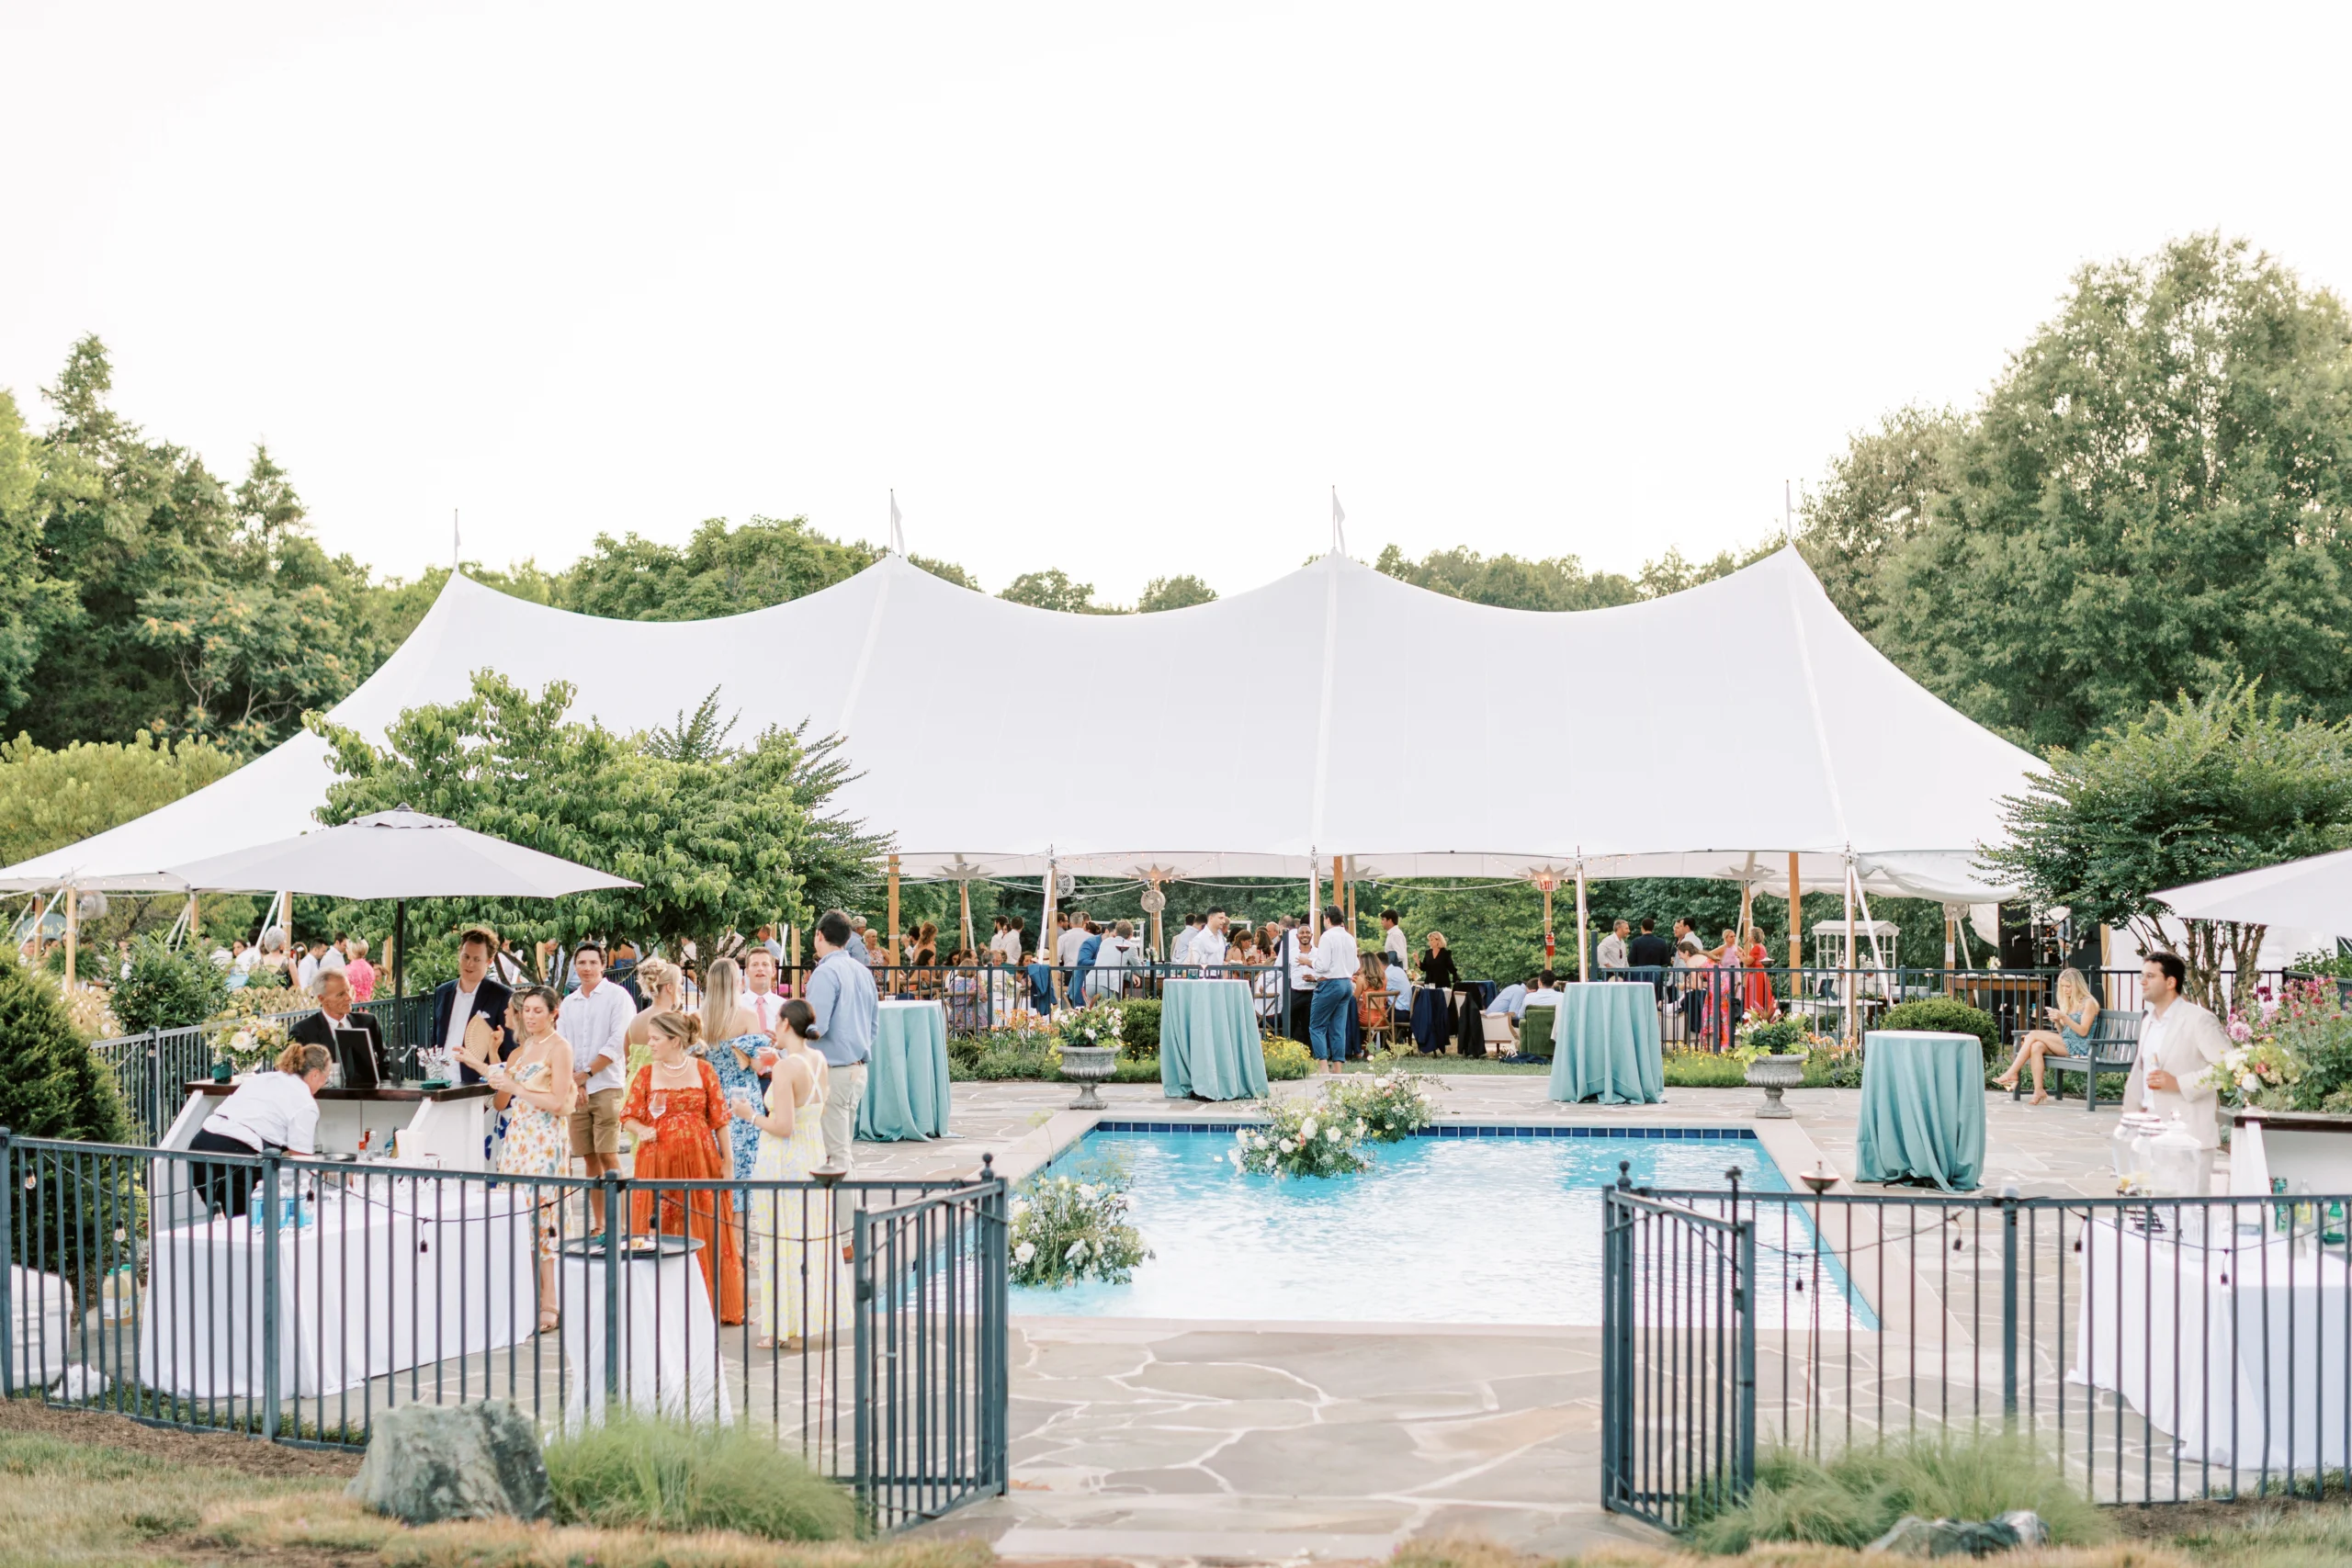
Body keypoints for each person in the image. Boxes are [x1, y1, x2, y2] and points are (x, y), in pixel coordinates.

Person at [458, 984, 575, 1331]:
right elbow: (500, 1095)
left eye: (539, 1010)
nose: (532, 1016)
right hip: (518, 1140)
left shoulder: (560, 1048)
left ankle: (550, 1300)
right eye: (528, 1011)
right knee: (520, 1215)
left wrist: (518, 1089)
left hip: (545, 1138)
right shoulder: (520, 1052)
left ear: (553, 1012)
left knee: (544, 1214)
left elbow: (557, 1102)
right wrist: (479, 1060)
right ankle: (528, 1294)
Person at [622, 1011, 744, 1324]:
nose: (649, 1044)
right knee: (660, 1225)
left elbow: (719, 1119)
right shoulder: (647, 1074)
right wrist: (642, 1130)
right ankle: (660, 1303)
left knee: (701, 1223)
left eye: (655, 1039)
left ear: (674, 1040)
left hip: (700, 1161)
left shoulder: (703, 1070)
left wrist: (727, 1160)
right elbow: (628, 1115)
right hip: (657, 1162)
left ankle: (705, 1299)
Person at [743, 998, 832, 1348]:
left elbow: (782, 1126)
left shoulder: (784, 1069)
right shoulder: (818, 1059)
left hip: (783, 1160)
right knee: (806, 1241)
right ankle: (805, 1318)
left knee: (778, 1241)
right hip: (812, 1154)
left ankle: (780, 1326)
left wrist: (748, 1114)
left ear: (782, 1024)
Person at [186, 1042, 331, 1217]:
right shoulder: (305, 1103)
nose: (325, 1084)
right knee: (250, 1223)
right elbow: (301, 1160)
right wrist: (307, 1198)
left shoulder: (264, 1078)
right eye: (326, 1077)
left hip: (201, 1143)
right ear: (315, 1074)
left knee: (221, 1220)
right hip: (236, 1154)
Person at [562, 942, 636, 1230]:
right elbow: (563, 1043)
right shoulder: (569, 1003)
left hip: (606, 1085)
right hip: (577, 1089)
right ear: (575, 966)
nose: (587, 968)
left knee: (608, 1155)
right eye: (582, 962)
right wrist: (575, 1081)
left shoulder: (618, 997)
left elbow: (618, 1041)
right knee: (589, 1159)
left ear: (602, 965)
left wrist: (588, 1074)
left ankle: (625, 1223)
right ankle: (601, 1224)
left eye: (593, 962)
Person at [2127, 952, 2229, 1147]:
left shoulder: (2199, 1019)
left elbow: (2227, 1068)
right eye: (2142, 976)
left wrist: (2179, 1083)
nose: (2142, 982)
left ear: (2170, 982)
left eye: (2150, 976)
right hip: (2149, 1130)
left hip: (2188, 1132)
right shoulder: (2148, 1021)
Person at [805, 908, 877, 1171]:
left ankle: (848, 1214)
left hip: (833, 1072)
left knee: (835, 1156)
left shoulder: (825, 973)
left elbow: (816, 1027)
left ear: (819, 935)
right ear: (848, 938)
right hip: (857, 1069)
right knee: (844, 1150)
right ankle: (846, 1211)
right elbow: (873, 1026)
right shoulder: (863, 972)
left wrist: (787, 1036)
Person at [1999, 966, 2098, 1103]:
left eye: (2068, 986)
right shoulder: (2071, 1002)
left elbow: (2083, 1031)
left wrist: (2065, 1017)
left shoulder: (2089, 1003)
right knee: (2037, 1046)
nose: (2065, 990)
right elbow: (2064, 1033)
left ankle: (2012, 1073)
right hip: (2068, 1042)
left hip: (2082, 1047)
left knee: (2033, 1034)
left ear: (2077, 985)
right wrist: (2058, 1022)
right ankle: (2038, 1090)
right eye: (2062, 986)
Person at [432, 927, 514, 1084]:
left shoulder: (502, 996)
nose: (469, 963)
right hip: (442, 1081)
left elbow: (509, 1048)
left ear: (489, 961)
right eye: (466, 957)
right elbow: (436, 1038)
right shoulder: (442, 992)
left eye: (477, 959)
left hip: (479, 1083)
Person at [288, 971, 385, 1081]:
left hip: (368, 1095)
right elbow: (292, 1070)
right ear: (322, 999)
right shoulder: (303, 1030)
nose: (349, 998)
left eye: (348, 991)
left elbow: (384, 1060)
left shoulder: (368, 1022)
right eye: (341, 994)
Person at [1302, 904, 1358, 1075]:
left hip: (1330, 983)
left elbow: (1322, 965)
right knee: (1338, 1027)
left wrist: (1307, 961)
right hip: (1347, 983)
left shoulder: (1327, 936)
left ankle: (1323, 1067)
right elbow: (1357, 965)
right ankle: (1337, 1068)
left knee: (1317, 1026)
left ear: (1327, 919)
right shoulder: (1350, 937)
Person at [1626, 918, 1675, 1000]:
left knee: (1640, 998)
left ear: (1642, 927)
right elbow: (1666, 960)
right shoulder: (1661, 942)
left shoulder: (1636, 942)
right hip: (1656, 974)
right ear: (1653, 928)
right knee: (1654, 996)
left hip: (1640, 975)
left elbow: (1631, 959)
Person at [742, 947, 787, 1032]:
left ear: (774, 971)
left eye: (765, 964)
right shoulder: (736, 1006)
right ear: (747, 971)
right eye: (755, 964)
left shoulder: (784, 1007)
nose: (760, 969)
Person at [345, 938, 377, 1002]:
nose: (346, 951)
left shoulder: (347, 970)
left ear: (351, 951)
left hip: (352, 1008)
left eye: (347, 948)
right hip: (367, 1007)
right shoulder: (370, 969)